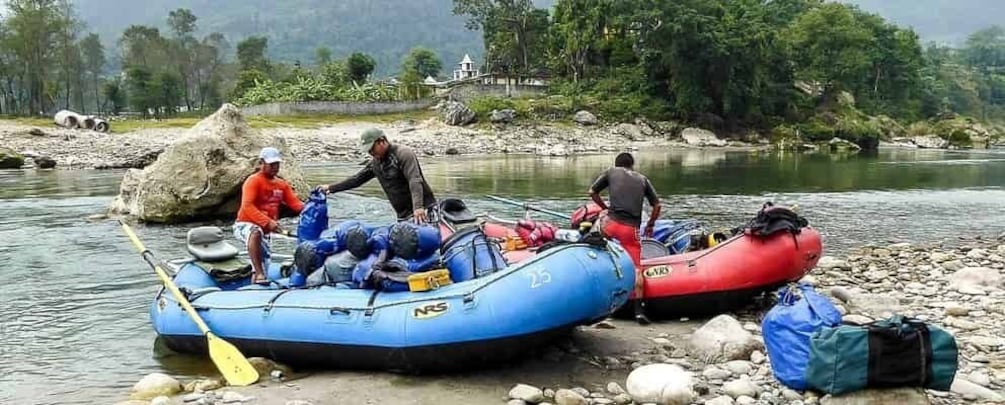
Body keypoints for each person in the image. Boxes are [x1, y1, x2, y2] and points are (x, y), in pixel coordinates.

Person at [588, 152, 662, 324]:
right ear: (632, 165)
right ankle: (639, 311)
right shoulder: (643, 179)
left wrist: (604, 207)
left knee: (594, 240)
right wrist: (650, 224)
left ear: (617, 164)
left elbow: (592, 191)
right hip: (631, 229)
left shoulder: (611, 172)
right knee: (637, 269)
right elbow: (657, 205)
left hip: (611, 224)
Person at [317, 128, 438, 223]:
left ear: (382, 141)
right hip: (403, 216)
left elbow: (414, 180)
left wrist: (418, 207)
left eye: (372, 148)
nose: (370, 153)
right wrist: (330, 188)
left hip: (424, 210)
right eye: (368, 151)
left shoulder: (403, 154)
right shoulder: (375, 164)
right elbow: (356, 180)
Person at [235, 147, 305, 285]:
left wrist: (313, 207)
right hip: (244, 225)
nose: (275, 167)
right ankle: (259, 273)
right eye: (271, 164)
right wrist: (267, 222)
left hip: (266, 231)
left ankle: (258, 279)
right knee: (255, 232)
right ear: (261, 163)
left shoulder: (281, 184)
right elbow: (247, 206)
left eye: (277, 164)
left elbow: (296, 204)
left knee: (264, 263)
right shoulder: (253, 181)